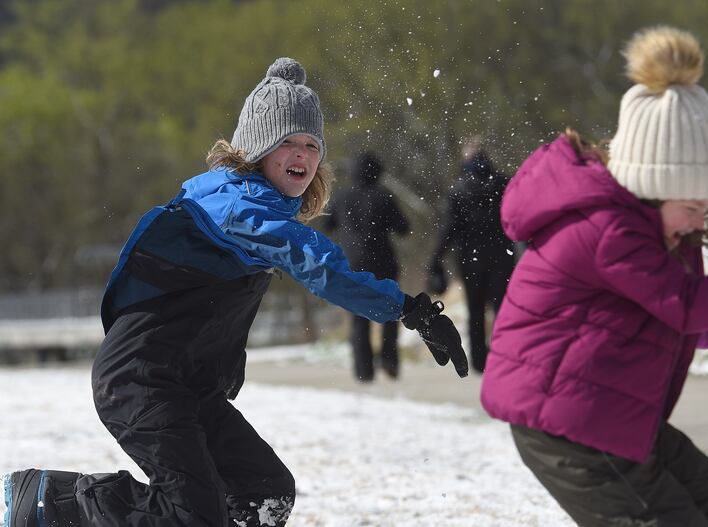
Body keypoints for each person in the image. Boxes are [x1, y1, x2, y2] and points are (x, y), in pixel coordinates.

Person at [3, 57, 468, 527]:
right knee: (192, 514)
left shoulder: (247, 203)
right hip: (142, 380)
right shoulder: (240, 209)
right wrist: (411, 310)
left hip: (186, 383)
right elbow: (322, 267)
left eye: (311, 145)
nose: (302, 155)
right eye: (286, 142)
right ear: (256, 148)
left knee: (265, 493)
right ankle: (44, 500)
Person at [480, 27, 708, 527]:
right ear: (651, 184)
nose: (699, 221)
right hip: (569, 423)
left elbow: (639, 304)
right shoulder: (609, 227)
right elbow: (683, 302)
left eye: (707, 208)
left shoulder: (650, 222)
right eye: (691, 206)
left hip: (603, 409)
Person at [427, 137, 515, 373]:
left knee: (475, 310)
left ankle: (478, 361)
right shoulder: (503, 183)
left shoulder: (458, 189)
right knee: (502, 308)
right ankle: (505, 355)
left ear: (466, 159)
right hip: (501, 255)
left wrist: (436, 259)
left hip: (470, 258)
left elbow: (448, 228)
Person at [325, 152, 410, 381]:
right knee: (390, 310)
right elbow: (403, 227)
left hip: (353, 264)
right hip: (384, 262)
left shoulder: (342, 197)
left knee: (358, 316)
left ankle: (363, 370)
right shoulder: (383, 196)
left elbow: (327, 225)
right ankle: (389, 361)